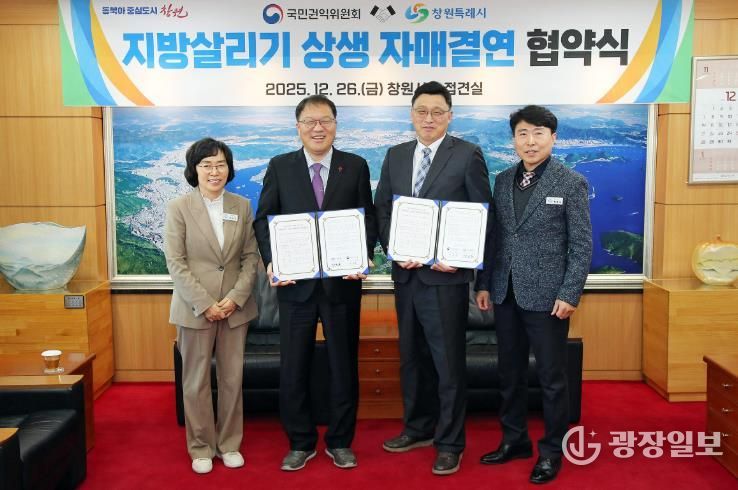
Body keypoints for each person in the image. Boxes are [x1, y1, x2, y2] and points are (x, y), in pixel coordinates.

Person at [374, 81, 493, 476]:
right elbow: (382, 209)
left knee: (447, 364)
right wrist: (395, 248)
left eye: (437, 112)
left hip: (445, 280)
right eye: (422, 111)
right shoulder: (395, 155)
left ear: (449, 116)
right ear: (412, 114)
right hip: (406, 277)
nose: (429, 118)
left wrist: (462, 261)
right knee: (412, 359)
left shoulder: (468, 155)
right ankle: (418, 427)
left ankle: (450, 442)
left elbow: (482, 214)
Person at [253, 95, 377, 471]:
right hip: (296, 286)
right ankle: (300, 441)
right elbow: (264, 220)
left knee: (343, 366)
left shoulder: (355, 165)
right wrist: (273, 261)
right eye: (310, 121)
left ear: (336, 125)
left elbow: (367, 218)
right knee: (294, 367)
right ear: (298, 127)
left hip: (342, 284)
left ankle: (340, 441)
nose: (318, 128)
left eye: (325, 121)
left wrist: (363, 255)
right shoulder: (280, 166)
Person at [476, 105, 592, 484]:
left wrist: (570, 293)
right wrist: (483, 283)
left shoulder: (570, 182)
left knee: (551, 377)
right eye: (523, 133)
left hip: (549, 297)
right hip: (505, 292)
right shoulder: (502, 179)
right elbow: (495, 238)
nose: (530, 141)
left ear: (553, 138)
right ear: (514, 139)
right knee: (509, 373)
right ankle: (514, 440)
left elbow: (581, 245)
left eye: (538, 133)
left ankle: (551, 451)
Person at [164, 137, 260, 474]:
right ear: (195, 169)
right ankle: (201, 447)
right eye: (206, 165)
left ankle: (229, 443)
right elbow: (176, 263)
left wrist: (235, 297)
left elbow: (251, 258)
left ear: (229, 169)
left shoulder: (242, 206)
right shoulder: (179, 208)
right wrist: (205, 303)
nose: (214, 171)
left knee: (232, 379)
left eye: (220, 164)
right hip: (195, 308)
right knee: (196, 382)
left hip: (235, 308)